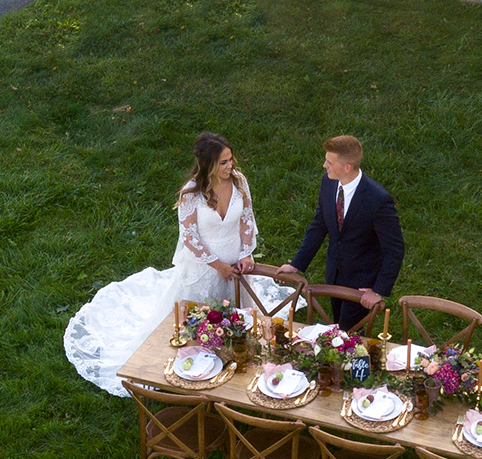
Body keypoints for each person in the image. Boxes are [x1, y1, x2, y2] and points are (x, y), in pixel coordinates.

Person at [63, 132, 259, 396]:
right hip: (205, 267)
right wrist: (218, 266)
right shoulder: (192, 193)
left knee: (240, 320)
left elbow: (246, 218)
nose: (230, 167)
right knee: (197, 324)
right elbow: (190, 237)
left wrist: (246, 253)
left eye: (230, 160)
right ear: (208, 165)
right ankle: (197, 370)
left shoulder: (239, 182)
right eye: (223, 163)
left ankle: (235, 365)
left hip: (235, 263)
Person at [279, 135, 405, 328]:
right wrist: (297, 264)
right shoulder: (329, 183)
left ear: (347, 167)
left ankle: (359, 359)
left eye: (329, 162)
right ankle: (347, 355)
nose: (324, 165)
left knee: (348, 335)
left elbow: (394, 249)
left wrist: (378, 290)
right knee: (339, 328)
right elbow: (319, 225)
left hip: (362, 283)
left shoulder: (378, 200)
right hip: (335, 276)